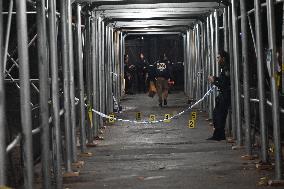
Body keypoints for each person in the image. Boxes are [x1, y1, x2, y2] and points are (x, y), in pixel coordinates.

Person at [207, 50, 231, 141]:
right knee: (216, 114)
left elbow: (224, 84)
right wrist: (216, 78)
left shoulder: (226, 69)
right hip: (222, 95)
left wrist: (214, 82)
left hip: (225, 95)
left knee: (219, 115)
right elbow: (222, 80)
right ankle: (218, 134)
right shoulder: (224, 68)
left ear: (223, 58)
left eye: (218, 58)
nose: (217, 60)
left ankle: (219, 135)